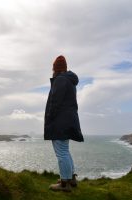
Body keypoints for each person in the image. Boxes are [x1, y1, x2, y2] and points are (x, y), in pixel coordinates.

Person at [44, 55, 84, 192]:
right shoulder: (69, 80)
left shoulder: (60, 80)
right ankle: (71, 178)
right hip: (67, 120)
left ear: (56, 69)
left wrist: (49, 118)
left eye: (53, 68)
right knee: (65, 151)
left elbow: (55, 103)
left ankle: (64, 184)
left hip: (60, 122)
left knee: (61, 153)